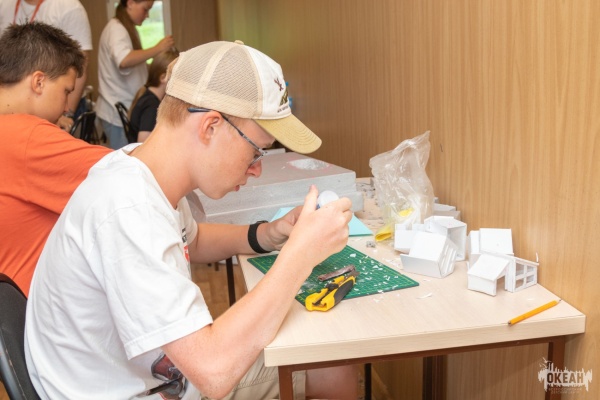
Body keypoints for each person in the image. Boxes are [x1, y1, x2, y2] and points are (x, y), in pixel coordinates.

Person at [26, 40, 359, 399]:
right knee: (327, 359)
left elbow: (193, 240)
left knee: (327, 361)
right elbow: (214, 372)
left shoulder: (142, 167)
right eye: (256, 151)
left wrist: (269, 234)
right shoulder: (128, 209)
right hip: (145, 389)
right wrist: (300, 255)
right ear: (210, 127)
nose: (257, 169)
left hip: (161, 380)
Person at [0, 22, 112, 296]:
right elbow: (131, 169)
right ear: (39, 82)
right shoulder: (27, 135)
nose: (66, 106)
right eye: (66, 91)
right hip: (25, 308)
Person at [0, 0, 93, 132]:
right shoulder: (4, 5)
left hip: (51, 107)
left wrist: (66, 114)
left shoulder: (68, 6)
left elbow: (79, 68)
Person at [96, 0, 175, 149]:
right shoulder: (116, 29)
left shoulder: (128, 28)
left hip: (127, 105)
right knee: (126, 159)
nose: (147, 15)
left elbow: (136, 64)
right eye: (145, 9)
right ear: (131, 3)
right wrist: (158, 48)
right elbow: (124, 60)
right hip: (116, 110)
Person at [129, 48, 179, 142]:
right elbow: (142, 142)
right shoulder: (151, 106)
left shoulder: (147, 96)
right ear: (163, 78)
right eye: (177, 77)